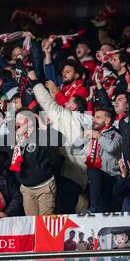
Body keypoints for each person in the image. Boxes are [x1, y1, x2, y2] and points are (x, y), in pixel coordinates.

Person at [31, 73, 93, 214]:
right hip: (80, 179)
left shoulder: (68, 116)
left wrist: (35, 81)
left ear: (74, 107)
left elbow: (47, 102)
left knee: (62, 216)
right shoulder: (87, 122)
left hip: (67, 175)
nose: (64, 103)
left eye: (69, 101)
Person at [71, 107, 123, 213]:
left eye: (98, 117)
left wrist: (98, 137)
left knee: (93, 170)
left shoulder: (115, 135)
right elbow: (75, 149)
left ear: (107, 120)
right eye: (94, 117)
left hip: (111, 179)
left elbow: (111, 147)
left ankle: (93, 207)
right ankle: (93, 207)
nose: (94, 120)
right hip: (95, 181)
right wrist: (84, 137)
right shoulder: (93, 135)